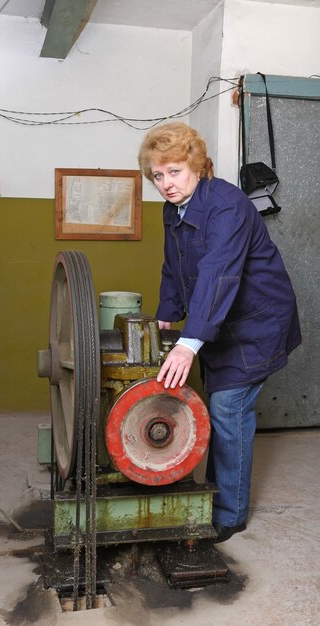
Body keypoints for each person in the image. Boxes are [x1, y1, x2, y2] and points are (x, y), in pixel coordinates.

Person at [138, 123, 301, 543]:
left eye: (174, 171)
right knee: (219, 404)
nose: (166, 184)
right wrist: (165, 318)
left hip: (256, 323)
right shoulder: (175, 208)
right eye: (158, 176)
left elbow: (218, 273)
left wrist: (189, 344)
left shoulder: (226, 205)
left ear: (195, 165)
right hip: (220, 322)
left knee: (229, 407)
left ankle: (229, 514)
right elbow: (174, 264)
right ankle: (214, 496)